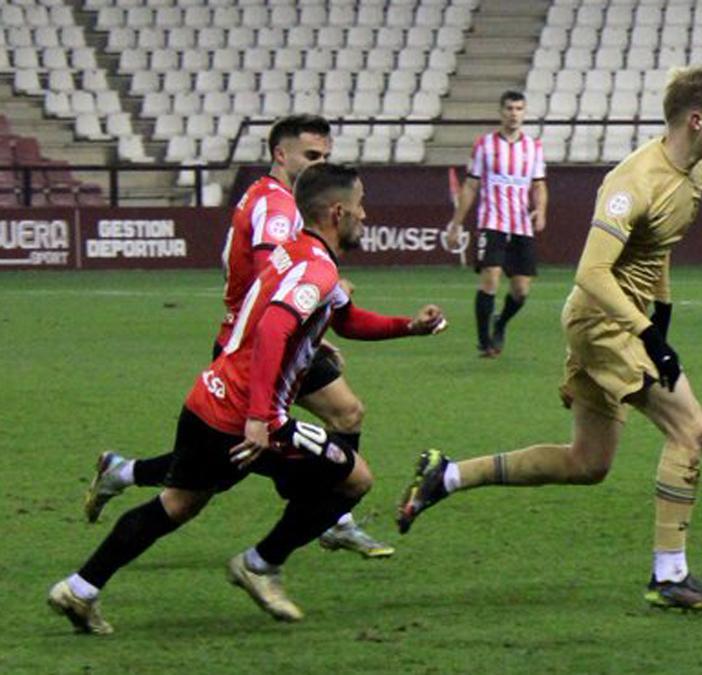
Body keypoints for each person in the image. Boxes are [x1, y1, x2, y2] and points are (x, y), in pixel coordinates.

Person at [48, 163, 448, 635]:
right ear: (338, 212)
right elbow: (276, 324)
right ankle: (260, 564)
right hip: (249, 417)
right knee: (355, 480)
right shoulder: (317, 269)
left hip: (208, 399)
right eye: (361, 205)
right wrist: (262, 418)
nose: (365, 214)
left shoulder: (296, 253)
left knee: (177, 503)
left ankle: (80, 588)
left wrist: (410, 326)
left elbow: (348, 320)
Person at [398, 67, 702, 612]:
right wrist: (647, 332)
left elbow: (660, 246)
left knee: (588, 463)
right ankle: (670, 574)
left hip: (620, 323)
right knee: (691, 430)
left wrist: (664, 318)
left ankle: (448, 475)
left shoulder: (695, 173)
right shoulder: (634, 182)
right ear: (696, 120)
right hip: (602, 323)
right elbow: (592, 275)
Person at [83, 115, 394, 558]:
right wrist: (310, 309)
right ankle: (330, 515)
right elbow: (276, 273)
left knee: (342, 414)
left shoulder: (271, 197)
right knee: (222, 463)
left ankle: (333, 514)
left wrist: (311, 320)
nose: (319, 164)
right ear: (280, 155)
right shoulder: (277, 207)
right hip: (259, 343)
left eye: (324, 157)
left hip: (273, 335)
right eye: (311, 156)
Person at [445, 90, 548, 357]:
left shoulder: (533, 147)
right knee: (490, 278)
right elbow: (470, 185)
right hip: (491, 222)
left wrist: (541, 209)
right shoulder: (484, 145)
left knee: (521, 290)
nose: (514, 114)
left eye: (518, 109)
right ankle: (485, 342)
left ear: (524, 113)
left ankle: (500, 323)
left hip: (521, 225)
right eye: (509, 109)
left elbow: (539, 185)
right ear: (501, 112)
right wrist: (456, 223)